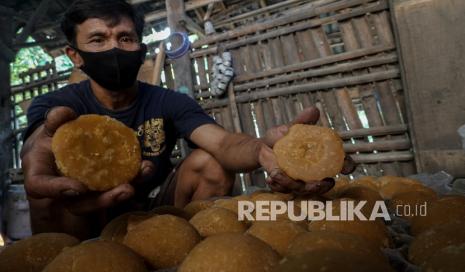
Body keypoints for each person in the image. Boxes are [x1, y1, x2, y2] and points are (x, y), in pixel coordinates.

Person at [20, 0, 354, 240]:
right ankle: (66, 258)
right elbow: (40, 142)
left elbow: (222, 143)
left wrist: (264, 150)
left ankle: (190, 250)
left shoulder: (167, 101)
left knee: (211, 161)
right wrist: (38, 153)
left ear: (140, 46)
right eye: (98, 39)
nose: (115, 48)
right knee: (48, 185)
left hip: (154, 213)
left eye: (125, 38)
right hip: (82, 214)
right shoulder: (58, 105)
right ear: (74, 55)